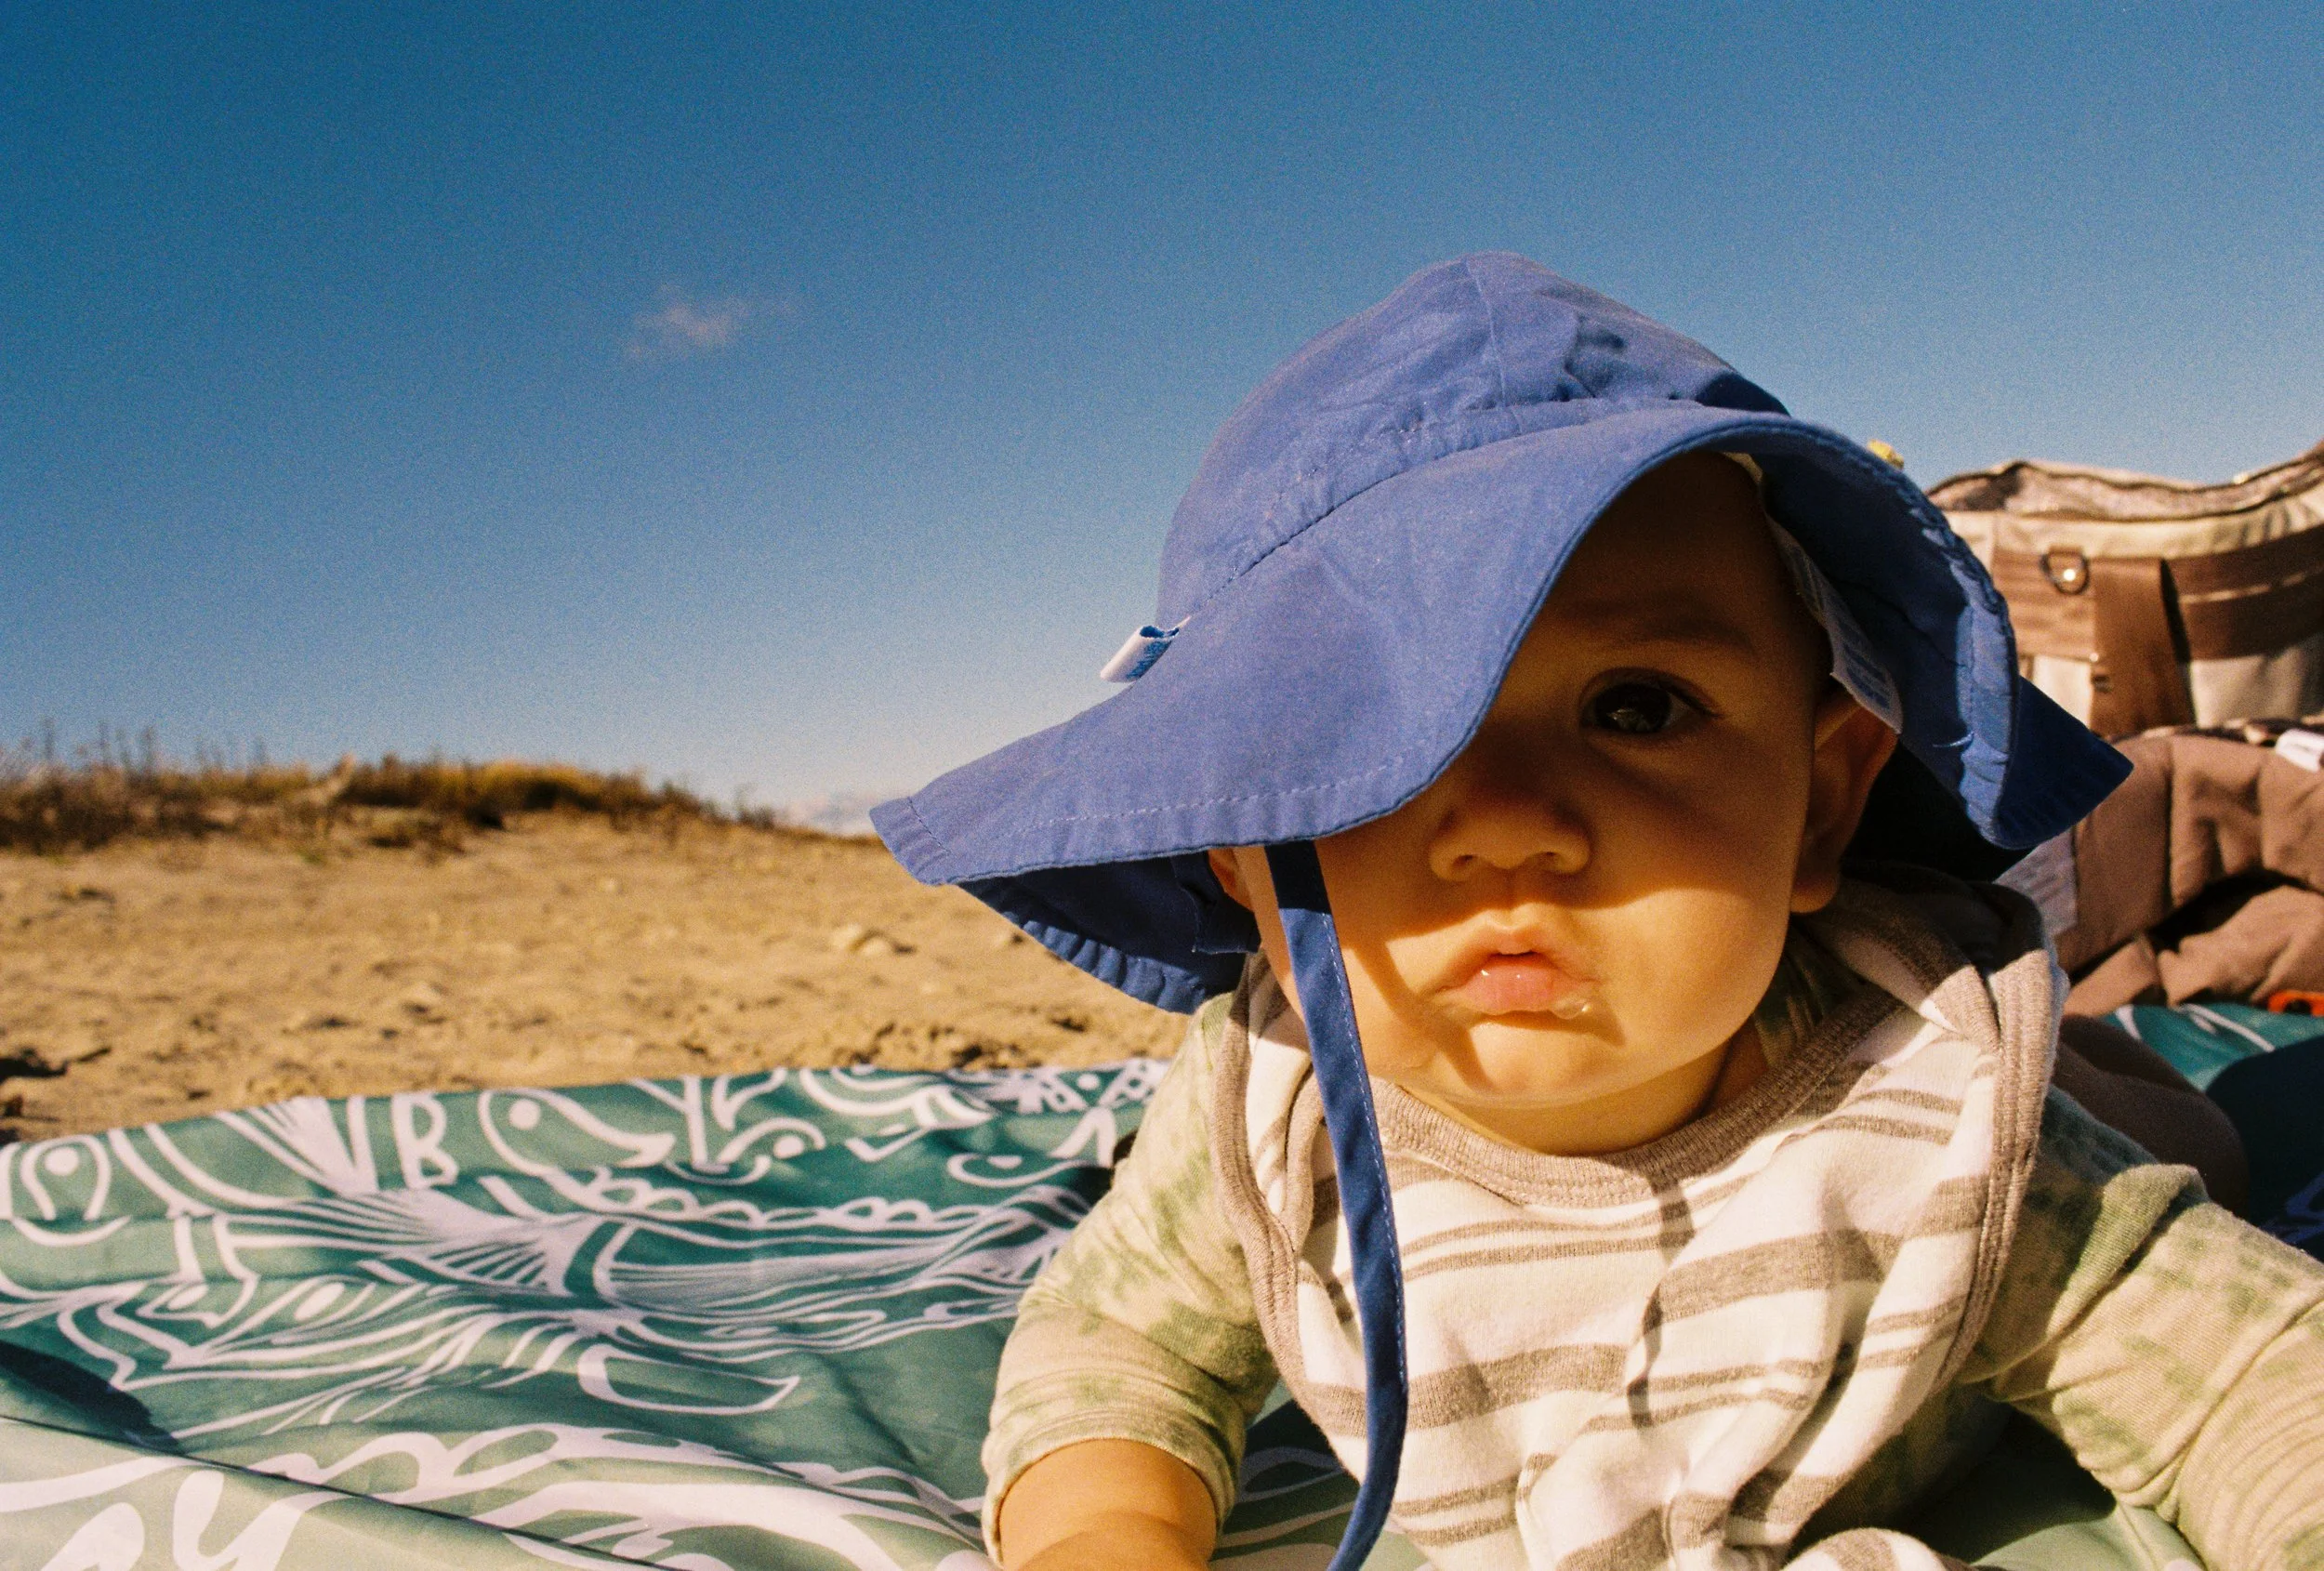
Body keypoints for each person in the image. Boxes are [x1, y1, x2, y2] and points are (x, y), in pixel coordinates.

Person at [872, 256, 2322, 1571]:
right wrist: (1108, 1530)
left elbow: (2256, 1377)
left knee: (2191, 1138)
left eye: (1638, 706)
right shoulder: (1269, 1112)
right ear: (1248, 860)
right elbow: (1116, 1351)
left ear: (1819, 798)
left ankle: (2099, 1029)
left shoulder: (1947, 1119)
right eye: (1381, 744)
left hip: (1959, 1084)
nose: (1504, 822)